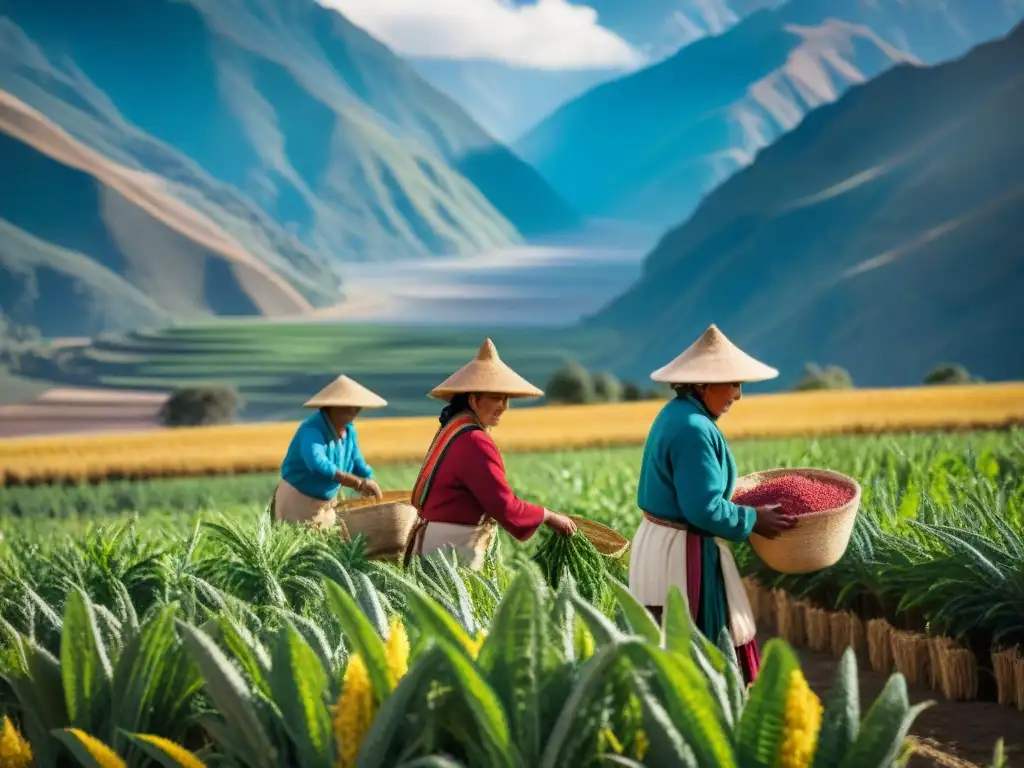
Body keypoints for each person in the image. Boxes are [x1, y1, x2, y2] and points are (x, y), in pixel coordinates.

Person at [629, 324, 796, 684]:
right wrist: (753, 519)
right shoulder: (693, 429)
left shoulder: (679, 414)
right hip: (681, 553)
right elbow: (703, 508)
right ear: (703, 384)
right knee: (696, 644)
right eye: (732, 384)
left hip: (661, 543)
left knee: (664, 641)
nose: (738, 394)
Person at [403, 338, 577, 569]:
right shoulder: (474, 441)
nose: (504, 406)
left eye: (506, 398)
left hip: (436, 545)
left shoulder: (453, 431)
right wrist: (548, 515)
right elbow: (504, 507)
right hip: (453, 550)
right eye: (496, 397)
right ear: (473, 400)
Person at [271, 375, 386, 528]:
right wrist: (357, 483)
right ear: (331, 407)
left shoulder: (349, 431)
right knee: (302, 545)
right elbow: (318, 464)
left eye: (356, 407)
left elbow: (356, 461)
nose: (353, 411)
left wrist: (369, 479)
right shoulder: (312, 429)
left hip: (327, 503)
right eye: (346, 406)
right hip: (299, 499)